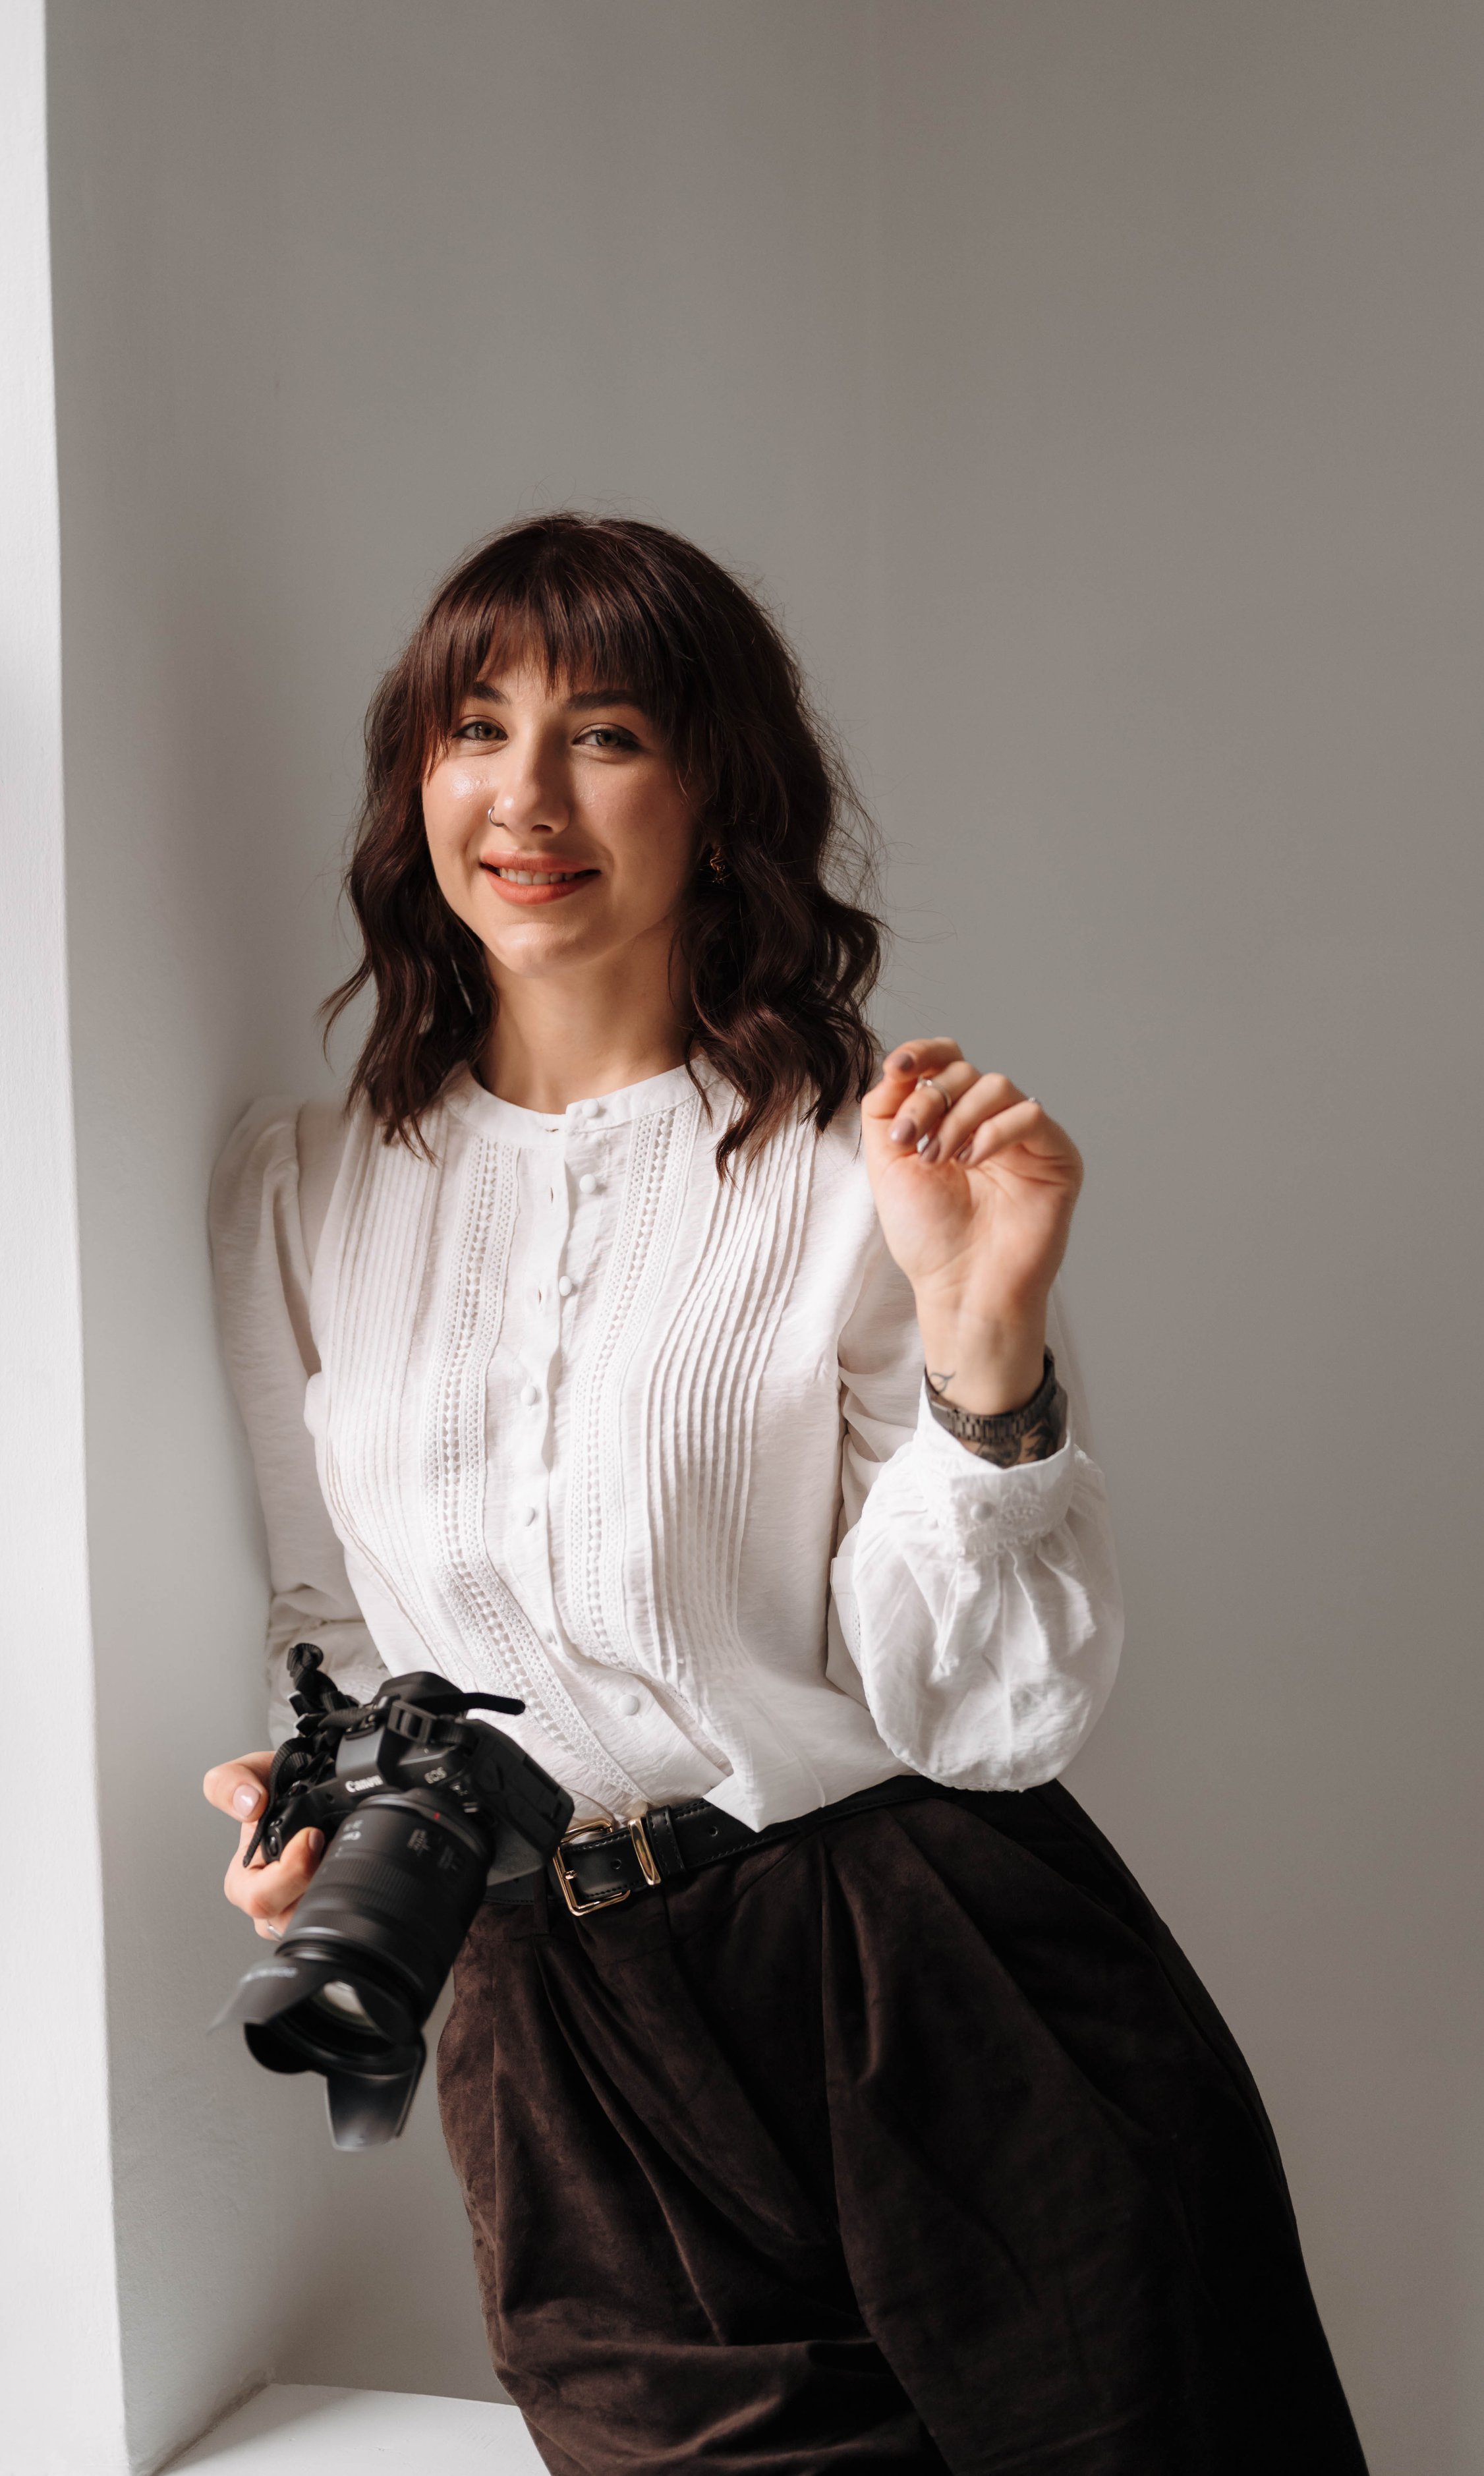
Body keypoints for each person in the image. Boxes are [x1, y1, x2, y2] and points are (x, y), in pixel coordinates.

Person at [203, 515, 1367, 2475]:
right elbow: (328, 1623)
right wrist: (311, 1812)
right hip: (555, 2035)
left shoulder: (858, 1167)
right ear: (416, 787)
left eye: (608, 735)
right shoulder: (305, 1191)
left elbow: (976, 1718)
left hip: (919, 1969)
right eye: (472, 729)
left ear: (720, 800)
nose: (525, 793)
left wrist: (982, 1337)